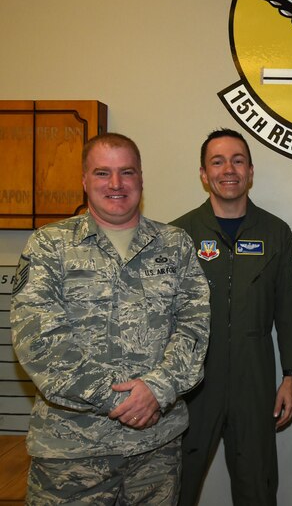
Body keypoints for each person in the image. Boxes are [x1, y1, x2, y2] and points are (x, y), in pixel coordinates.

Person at [10, 132, 210, 504]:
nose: (116, 184)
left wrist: (157, 389)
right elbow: (38, 340)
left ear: (141, 179)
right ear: (84, 180)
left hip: (156, 451)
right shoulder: (50, 244)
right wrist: (122, 401)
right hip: (72, 454)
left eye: (127, 172)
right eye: (103, 173)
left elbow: (194, 326)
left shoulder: (175, 244)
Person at [171, 128, 292, 505]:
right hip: (192, 381)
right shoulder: (177, 235)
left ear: (250, 172)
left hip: (255, 376)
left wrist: (291, 376)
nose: (228, 169)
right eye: (217, 161)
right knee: (176, 482)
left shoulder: (276, 233)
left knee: (258, 483)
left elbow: (288, 309)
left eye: (237, 160)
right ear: (204, 174)